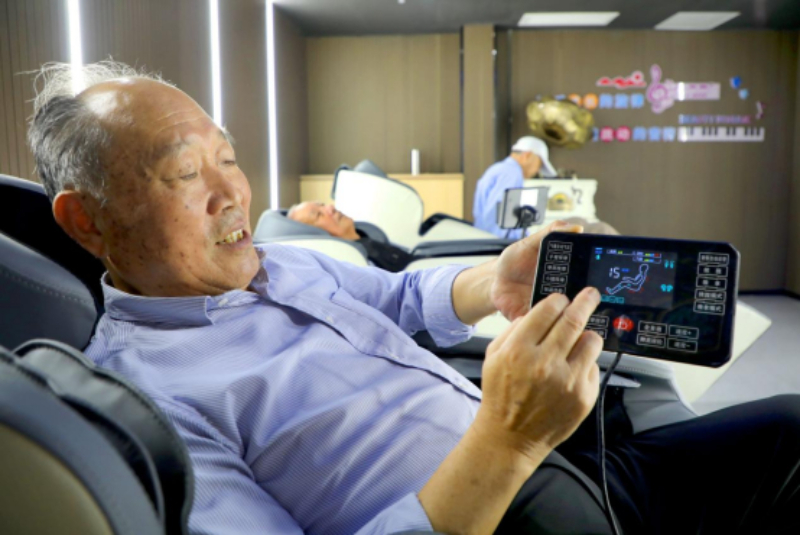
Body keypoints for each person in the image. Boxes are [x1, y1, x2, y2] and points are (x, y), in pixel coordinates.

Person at [29, 60, 800, 535]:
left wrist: (494, 281)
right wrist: (504, 439)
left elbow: (400, 294)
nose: (231, 191)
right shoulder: (146, 398)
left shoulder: (284, 263)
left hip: (565, 468)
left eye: (228, 157)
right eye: (183, 172)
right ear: (86, 221)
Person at [287, 201, 414, 271]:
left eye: (323, 205)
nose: (330, 207)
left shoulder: (367, 237)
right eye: (318, 214)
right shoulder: (359, 264)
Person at [473, 136, 557, 240]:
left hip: (483, 239)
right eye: (539, 165)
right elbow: (496, 218)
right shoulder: (512, 173)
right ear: (527, 155)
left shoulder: (500, 168)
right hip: (494, 243)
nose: (537, 171)